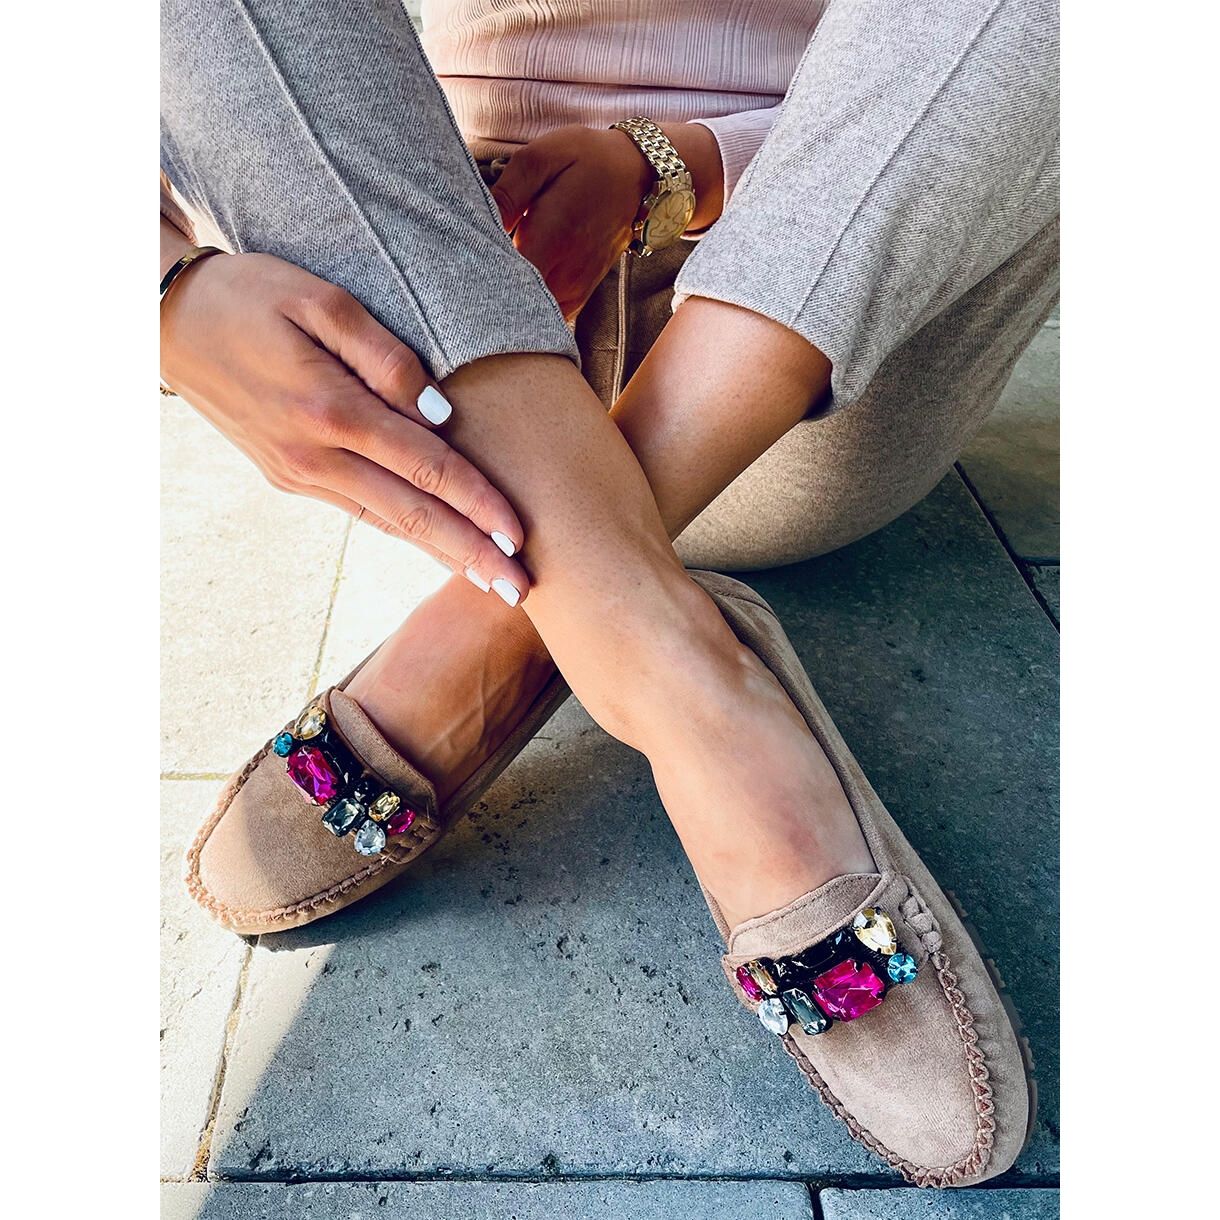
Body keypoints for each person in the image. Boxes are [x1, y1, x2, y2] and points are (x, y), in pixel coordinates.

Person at [161, 0, 1057, 1187]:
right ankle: (674, 663)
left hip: (810, 326)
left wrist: (679, 163)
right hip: (425, 303)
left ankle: (520, 614)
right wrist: (160, 287)